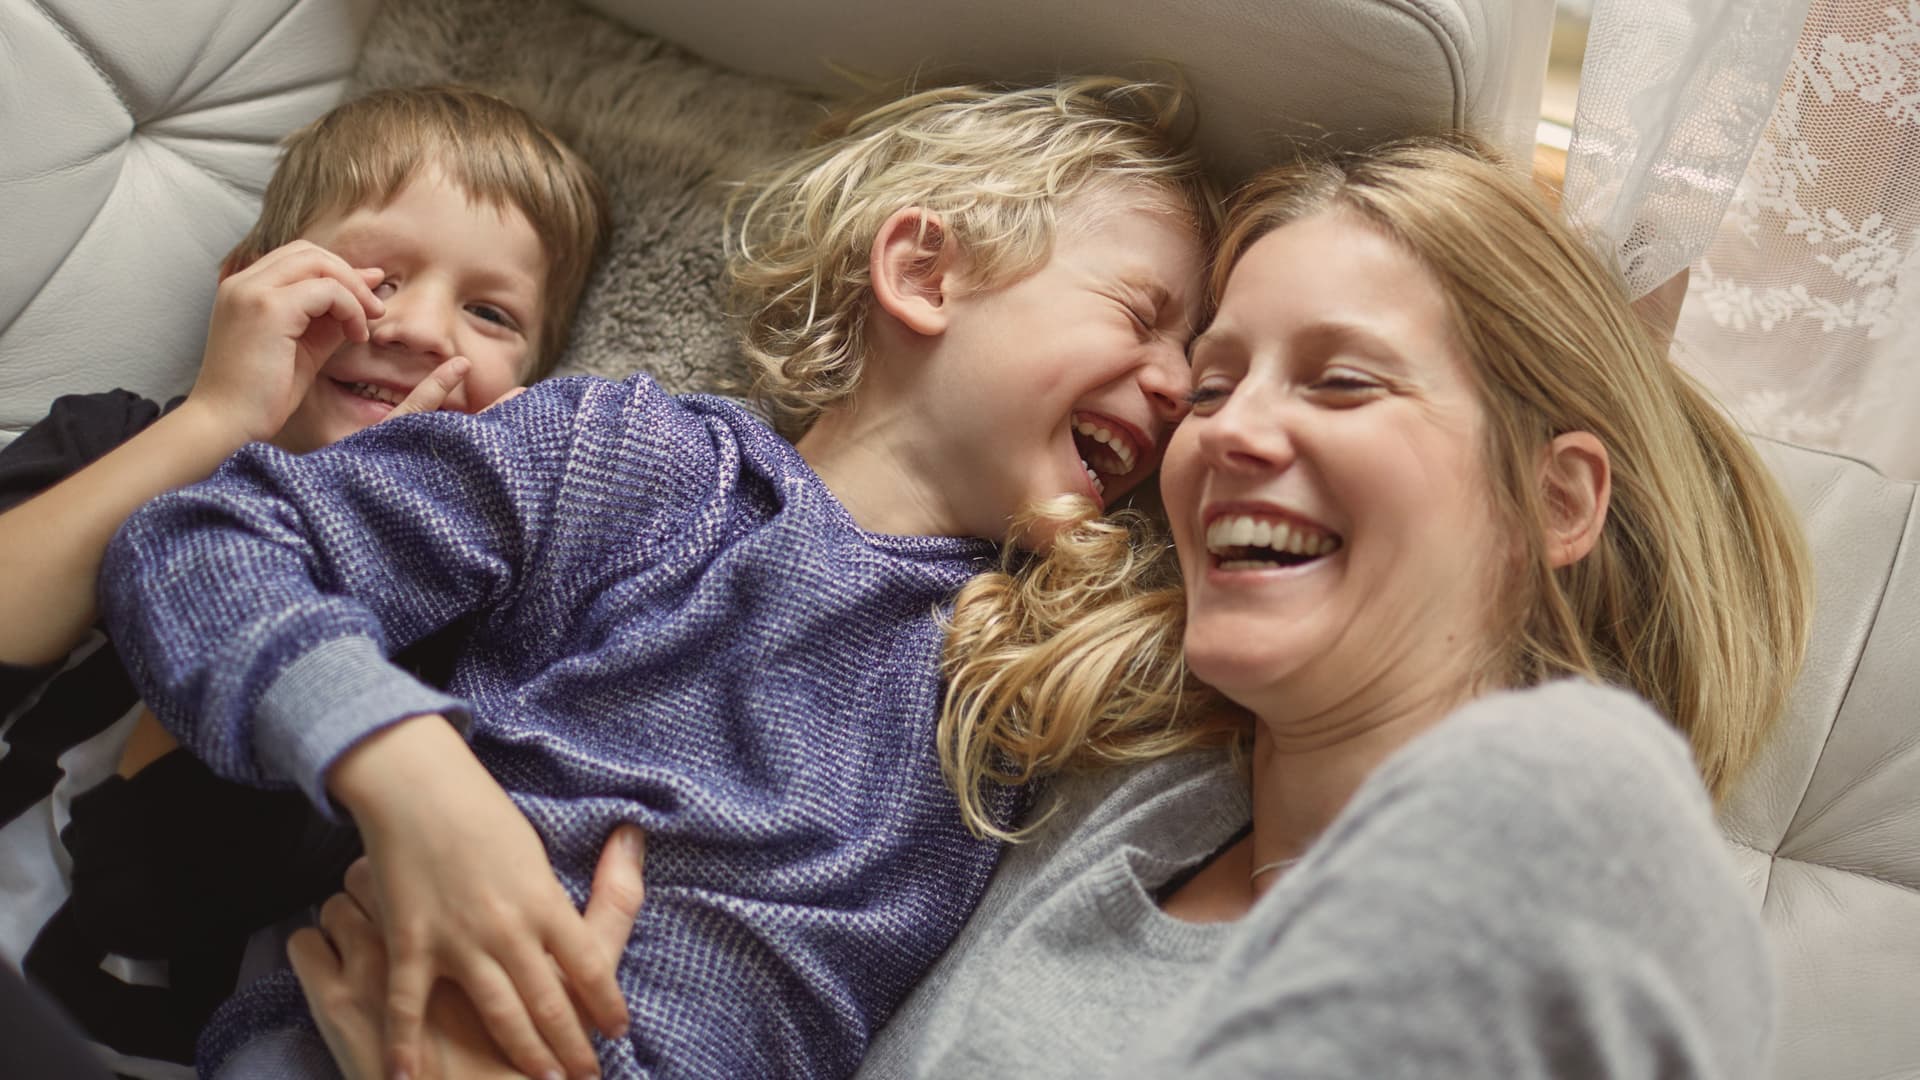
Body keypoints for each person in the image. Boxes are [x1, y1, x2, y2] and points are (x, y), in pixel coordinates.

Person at [339, 134, 1809, 1077]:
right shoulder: (1066, 799)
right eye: (1214, 378)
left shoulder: (1588, 822)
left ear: (1557, 501)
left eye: (1345, 378)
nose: (1215, 425)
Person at [99, 78, 1214, 1080]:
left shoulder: (1025, 673)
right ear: (922, 273)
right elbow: (201, 545)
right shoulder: (634, 457)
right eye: (1141, 317)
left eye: (1201, 371)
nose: (1175, 388)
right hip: (351, 1036)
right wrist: (404, 770)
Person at [0, 84, 608, 1072]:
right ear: (248, 283)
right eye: (375, 277)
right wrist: (215, 420)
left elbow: (140, 889)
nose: (417, 327)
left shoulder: (436, 651)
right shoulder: (113, 439)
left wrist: (383, 517)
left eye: (490, 312)